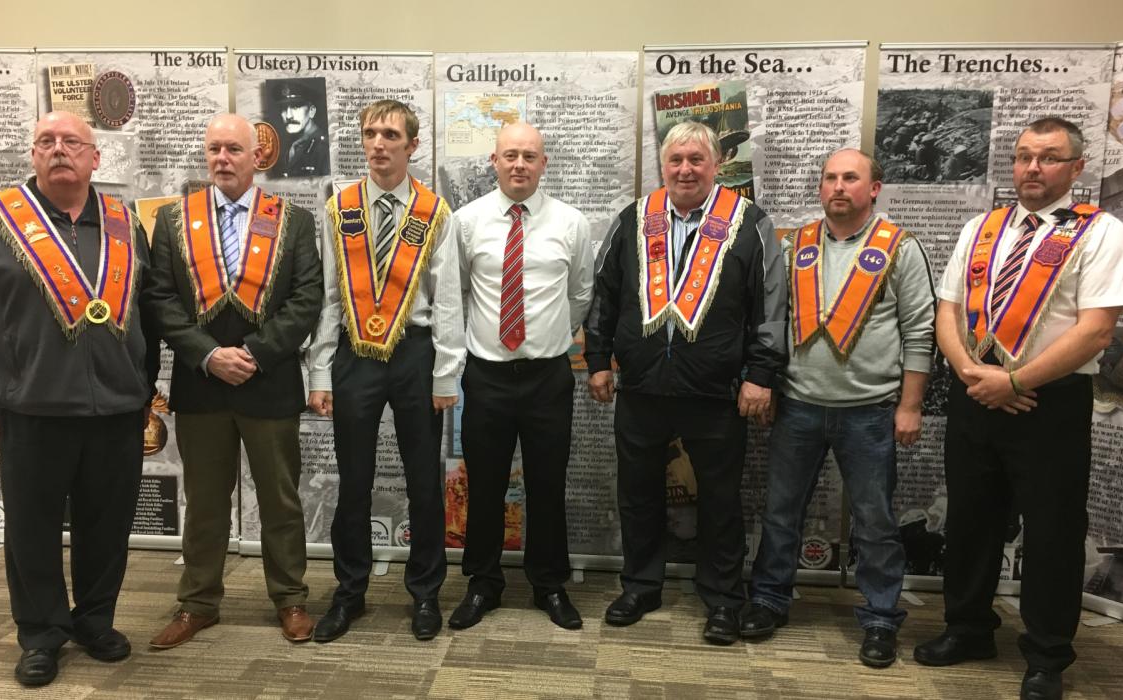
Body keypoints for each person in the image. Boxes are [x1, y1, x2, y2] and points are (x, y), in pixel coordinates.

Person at [914, 117, 1123, 700]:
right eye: (1023, 156)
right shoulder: (981, 228)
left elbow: (1096, 331)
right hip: (975, 392)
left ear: (1076, 167)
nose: (1032, 168)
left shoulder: (1100, 232)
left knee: (1052, 532)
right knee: (970, 520)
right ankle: (968, 629)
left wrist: (1013, 380)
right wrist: (972, 375)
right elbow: (947, 309)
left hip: (1049, 402)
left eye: (1049, 157)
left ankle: (1046, 655)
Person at [0, 111, 156, 687]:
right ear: (34, 154)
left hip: (116, 411)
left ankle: (95, 622)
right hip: (30, 410)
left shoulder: (124, 222)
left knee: (106, 528)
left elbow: (150, 313)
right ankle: (40, 635)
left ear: (95, 158)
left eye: (72, 142)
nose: (59, 149)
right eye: (47, 141)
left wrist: (145, 389)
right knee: (31, 532)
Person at [584, 120, 787, 645]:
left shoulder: (749, 223)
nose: (685, 169)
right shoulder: (635, 218)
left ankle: (723, 599)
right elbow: (605, 292)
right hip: (641, 386)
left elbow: (770, 305)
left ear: (717, 165)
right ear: (663, 166)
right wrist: (598, 359)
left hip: (716, 390)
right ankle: (640, 586)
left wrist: (761, 375)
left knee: (720, 498)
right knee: (637, 493)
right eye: (675, 160)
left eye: (697, 159)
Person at [742, 148, 935, 667]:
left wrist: (910, 405)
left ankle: (880, 618)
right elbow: (772, 321)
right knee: (781, 512)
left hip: (870, 411)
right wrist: (767, 385)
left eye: (851, 177)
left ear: (874, 188)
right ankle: (769, 599)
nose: (839, 187)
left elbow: (920, 331)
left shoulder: (900, 248)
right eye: (830, 178)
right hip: (798, 405)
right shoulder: (795, 245)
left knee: (875, 521)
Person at [144, 113, 323, 650]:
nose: (222, 158)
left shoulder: (292, 220)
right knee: (204, 502)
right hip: (202, 385)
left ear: (257, 156)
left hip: (268, 382)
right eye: (214, 149)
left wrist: (254, 353)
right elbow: (159, 300)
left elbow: (306, 298)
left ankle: (290, 598)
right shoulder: (174, 220)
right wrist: (207, 355)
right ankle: (198, 603)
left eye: (234, 149)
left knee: (281, 501)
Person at [307, 99, 464, 643]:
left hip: (415, 354)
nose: (378, 143)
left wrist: (446, 374)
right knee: (353, 481)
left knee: (424, 482)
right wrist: (320, 372)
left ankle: (425, 593)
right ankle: (349, 592)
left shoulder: (434, 212)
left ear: (411, 145)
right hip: (355, 354)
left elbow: (447, 301)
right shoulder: (340, 207)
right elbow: (331, 297)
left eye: (390, 135)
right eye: (370, 133)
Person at [447, 122, 593, 631]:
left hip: (547, 377)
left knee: (547, 483)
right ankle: (483, 583)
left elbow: (580, 294)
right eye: (510, 155)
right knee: (484, 484)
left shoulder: (571, 223)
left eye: (530, 156)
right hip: (486, 376)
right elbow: (456, 293)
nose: (519, 164)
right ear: (494, 160)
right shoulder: (466, 222)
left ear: (543, 163)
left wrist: (549, 336)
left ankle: (549, 584)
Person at [273, 80, 329, 178]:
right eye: (283, 108)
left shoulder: (325, 149)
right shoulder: (290, 147)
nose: (288, 116)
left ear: (311, 111)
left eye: (295, 107)